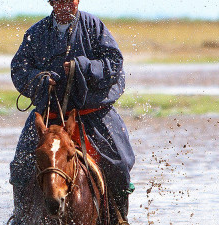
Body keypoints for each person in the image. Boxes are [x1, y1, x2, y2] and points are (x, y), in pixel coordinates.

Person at [9, 0, 135, 224]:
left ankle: (119, 218)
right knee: (20, 167)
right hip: (49, 116)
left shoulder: (94, 26)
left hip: (92, 114)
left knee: (119, 163)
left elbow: (114, 63)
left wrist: (84, 67)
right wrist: (38, 79)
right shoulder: (36, 33)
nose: (67, 4)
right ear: (52, 2)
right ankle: (20, 218)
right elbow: (20, 68)